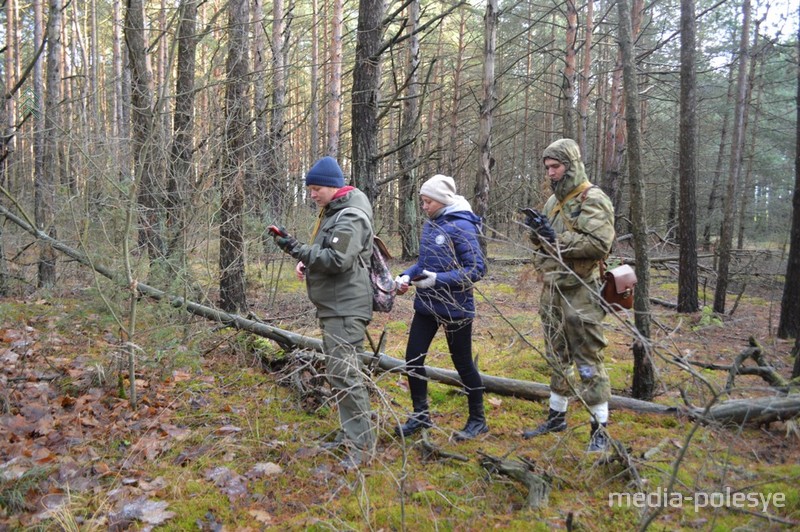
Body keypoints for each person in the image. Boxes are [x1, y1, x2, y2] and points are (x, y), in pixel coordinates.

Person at [271, 156, 376, 469]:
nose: (312, 194)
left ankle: (361, 446)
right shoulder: (335, 212)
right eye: (310, 189)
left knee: (346, 374)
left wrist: (293, 247)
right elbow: (330, 255)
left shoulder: (351, 216)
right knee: (340, 373)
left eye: (316, 188)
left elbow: (335, 260)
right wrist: (306, 259)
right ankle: (352, 434)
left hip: (345, 307)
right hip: (335, 305)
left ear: (333, 186)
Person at [521, 138, 616, 452]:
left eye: (556, 166)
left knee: (588, 358)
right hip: (552, 288)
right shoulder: (551, 203)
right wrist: (536, 232)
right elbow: (542, 244)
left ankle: (599, 428)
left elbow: (599, 244)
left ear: (571, 166)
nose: (550, 173)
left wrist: (555, 239)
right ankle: (557, 415)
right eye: (547, 167)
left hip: (581, 291)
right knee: (556, 355)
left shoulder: (594, 198)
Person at [394, 174, 488, 442]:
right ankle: (420, 415)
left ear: (442, 200)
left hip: (456, 307)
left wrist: (439, 281)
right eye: (422, 201)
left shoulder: (462, 226)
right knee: (413, 358)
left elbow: (477, 269)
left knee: (462, 363)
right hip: (426, 305)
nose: (423, 206)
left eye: (427, 202)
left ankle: (478, 420)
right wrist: (406, 275)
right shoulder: (432, 224)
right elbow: (423, 263)